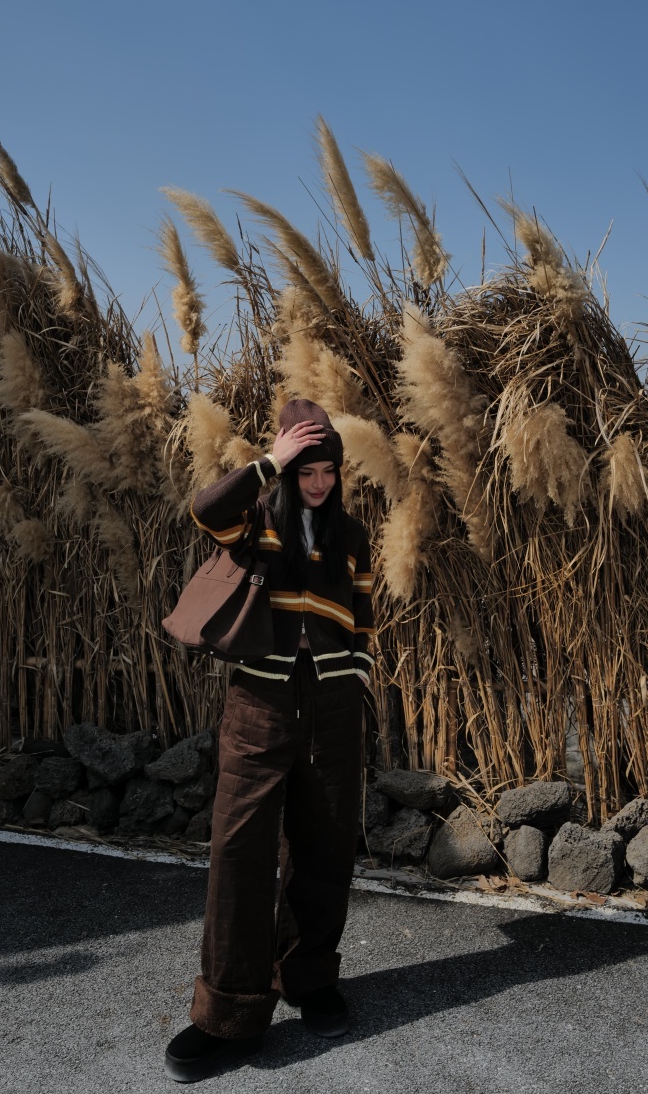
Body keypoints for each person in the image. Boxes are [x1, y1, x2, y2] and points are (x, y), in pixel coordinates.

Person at [164, 398, 375, 1084]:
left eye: (327, 471)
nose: (318, 482)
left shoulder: (352, 534)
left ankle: (309, 978)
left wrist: (358, 679)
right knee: (239, 850)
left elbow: (363, 614)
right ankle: (226, 1014)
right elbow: (205, 509)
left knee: (326, 846)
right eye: (306, 470)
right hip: (259, 703)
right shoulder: (257, 520)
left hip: (334, 706)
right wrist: (269, 462)